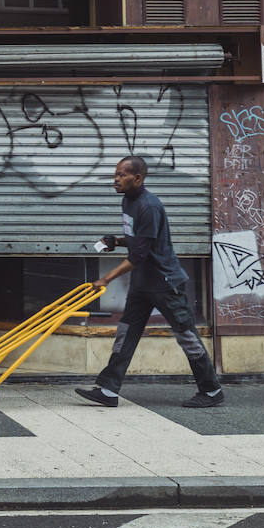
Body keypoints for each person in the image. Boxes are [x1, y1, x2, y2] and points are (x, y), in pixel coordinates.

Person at [75, 156, 224, 409]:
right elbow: (138, 240)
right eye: (116, 174)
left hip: (165, 283)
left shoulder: (149, 206)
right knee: (126, 333)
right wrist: (116, 241)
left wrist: (105, 279)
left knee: (186, 335)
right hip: (142, 283)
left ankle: (211, 390)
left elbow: (138, 255)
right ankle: (109, 390)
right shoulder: (128, 201)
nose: (116, 179)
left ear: (138, 178)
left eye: (122, 175)